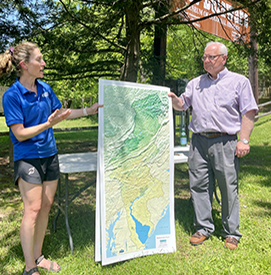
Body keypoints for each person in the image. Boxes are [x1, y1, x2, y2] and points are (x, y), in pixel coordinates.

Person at [0, 42, 103, 275]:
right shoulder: (12, 95)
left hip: (50, 155)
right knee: (33, 209)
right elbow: (19, 133)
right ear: (25, 65)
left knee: (46, 206)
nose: (44, 63)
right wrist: (48, 124)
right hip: (28, 158)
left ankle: (39, 255)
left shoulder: (45, 88)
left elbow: (61, 114)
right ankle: (29, 267)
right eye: (39, 59)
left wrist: (89, 110)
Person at [168, 41, 258, 250]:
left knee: (228, 187)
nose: (206, 61)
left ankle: (231, 232)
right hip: (198, 141)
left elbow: (249, 112)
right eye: (204, 57)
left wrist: (244, 140)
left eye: (211, 57)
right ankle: (203, 228)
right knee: (198, 185)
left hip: (225, 141)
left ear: (223, 58)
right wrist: (174, 100)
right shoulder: (195, 83)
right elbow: (183, 105)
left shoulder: (239, 82)